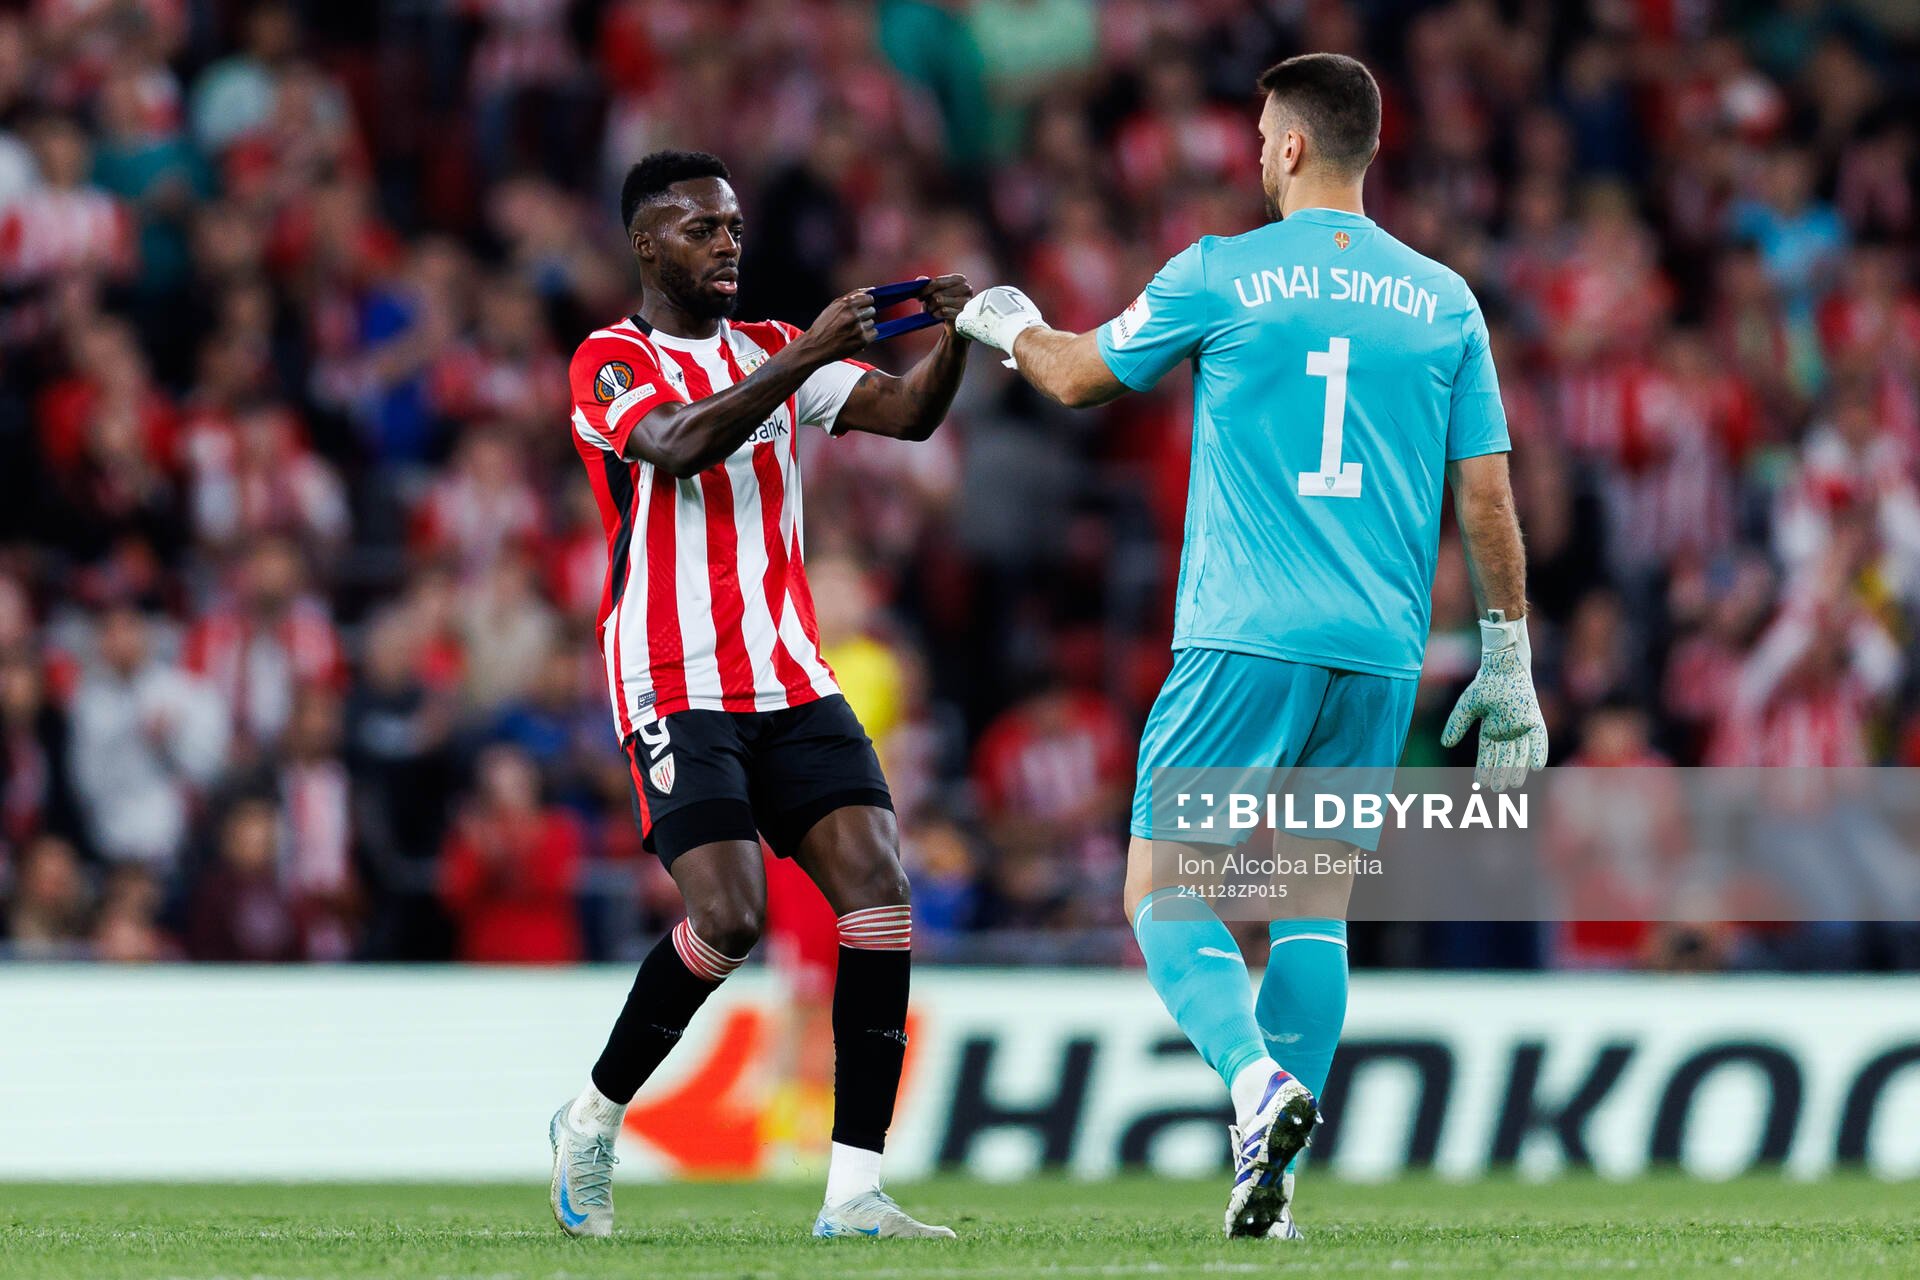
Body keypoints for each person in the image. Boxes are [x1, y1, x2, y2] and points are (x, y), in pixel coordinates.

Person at [957, 53, 1544, 1239]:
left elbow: (1077, 379)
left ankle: (1250, 1080)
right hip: (1380, 653)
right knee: (1312, 906)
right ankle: (1266, 1188)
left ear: (1286, 147)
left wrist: (1008, 324)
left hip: (1244, 636)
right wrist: (1508, 654)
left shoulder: (1222, 271)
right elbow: (1484, 496)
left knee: (1161, 886)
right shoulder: (1444, 298)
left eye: (1260, 134)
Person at [547, 150, 973, 1241]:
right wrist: (808, 358)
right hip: (672, 678)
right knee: (728, 916)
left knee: (878, 895)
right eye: (702, 229)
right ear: (649, 246)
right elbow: (681, 445)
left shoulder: (774, 345)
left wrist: (954, 341)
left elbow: (907, 415)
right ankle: (593, 1118)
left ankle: (854, 1193)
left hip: (790, 671)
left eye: (734, 225)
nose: (728, 242)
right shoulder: (608, 358)